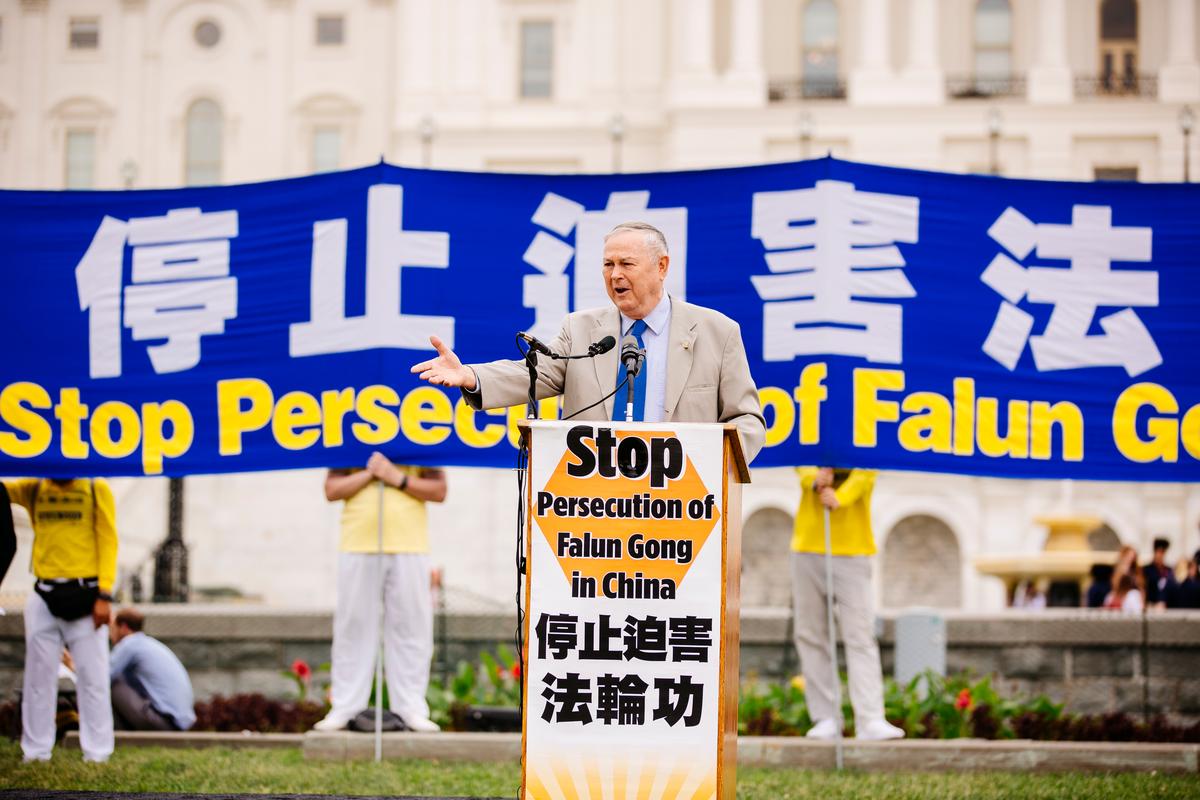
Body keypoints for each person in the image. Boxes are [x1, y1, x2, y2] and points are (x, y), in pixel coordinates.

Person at [409, 220, 766, 463]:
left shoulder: (716, 331)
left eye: (627, 263)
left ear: (662, 266)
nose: (615, 275)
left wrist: (714, 470)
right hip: (595, 508)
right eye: (608, 265)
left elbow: (748, 421)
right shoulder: (581, 329)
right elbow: (537, 374)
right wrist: (471, 376)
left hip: (683, 506)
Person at [313, 452, 447, 733]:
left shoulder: (422, 432)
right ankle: (345, 707)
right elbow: (332, 489)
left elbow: (438, 490)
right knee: (353, 627)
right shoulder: (350, 432)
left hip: (410, 543)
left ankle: (411, 708)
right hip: (357, 542)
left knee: (412, 628)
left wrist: (395, 478)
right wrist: (372, 473)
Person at [3, 477, 116, 763]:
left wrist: (105, 593)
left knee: (92, 676)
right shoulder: (35, 487)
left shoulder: (94, 487)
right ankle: (36, 751)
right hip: (44, 592)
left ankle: (98, 752)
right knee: (38, 677)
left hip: (86, 594)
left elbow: (108, 538)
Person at [790, 467, 904, 742]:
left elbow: (867, 472)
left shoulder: (863, 425)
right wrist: (815, 481)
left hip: (853, 548)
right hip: (808, 545)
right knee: (810, 633)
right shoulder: (810, 422)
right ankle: (825, 717)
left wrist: (841, 496)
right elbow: (799, 458)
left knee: (860, 635)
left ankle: (870, 718)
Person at [109, 608, 196, 731]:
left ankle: (116, 734)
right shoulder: (148, 643)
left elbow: (104, 677)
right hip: (177, 724)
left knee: (114, 684)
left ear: (123, 627)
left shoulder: (129, 644)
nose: (109, 634)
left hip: (163, 722)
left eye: (111, 628)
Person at [1143, 537, 1178, 609]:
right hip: (1151, 605)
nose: (1161, 555)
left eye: (1163, 552)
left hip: (1167, 607)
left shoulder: (1169, 570)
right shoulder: (1146, 570)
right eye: (1159, 552)